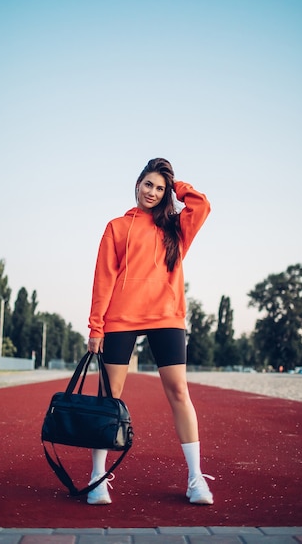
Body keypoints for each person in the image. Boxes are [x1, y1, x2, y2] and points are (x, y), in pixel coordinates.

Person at [87, 157, 214, 505]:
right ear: (138, 182)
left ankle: (195, 479)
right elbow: (103, 279)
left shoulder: (176, 228)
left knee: (178, 391)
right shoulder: (116, 226)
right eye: (149, 184)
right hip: (121, 318)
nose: (153, 193)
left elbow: (202, 205)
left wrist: (178, 186)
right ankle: (97, 478)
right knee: (109, 398)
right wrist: (95, 326)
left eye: (160, 188)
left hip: (167, 316)